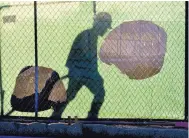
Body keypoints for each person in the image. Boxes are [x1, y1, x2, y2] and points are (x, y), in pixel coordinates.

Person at [51, 12, 112, 119]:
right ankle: (92, 115)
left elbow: (87, 57)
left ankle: (56, 115)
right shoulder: (87, 36)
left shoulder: (90, 35)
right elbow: (87, 54)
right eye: (105, 26)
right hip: (82, 72)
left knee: (70, 94)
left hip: (80, 72)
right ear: (99, 24)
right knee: (99, 92)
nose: (106, 30)